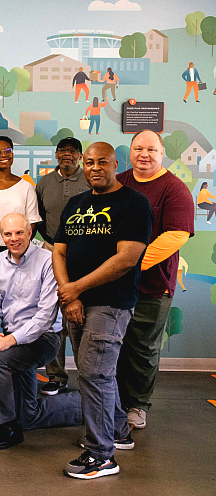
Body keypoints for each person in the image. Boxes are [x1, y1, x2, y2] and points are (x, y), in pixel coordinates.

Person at [53, 142, 153, 479]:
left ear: (116, 164)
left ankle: (101, 455)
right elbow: (59, 252)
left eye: (103, 162)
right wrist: (71, 295)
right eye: (91, 162)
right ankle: (119, 431)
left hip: (111, 303)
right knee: (95, 371)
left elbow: (126, 259)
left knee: (93, 375)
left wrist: (76, 289)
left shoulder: (133, 203)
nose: (96, 168)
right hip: (77, 302)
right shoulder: (75, 203)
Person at [0, 214, 82, 450]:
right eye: (8, 234)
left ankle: (7, 426)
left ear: (30, 232)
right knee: (27, 414)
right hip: (10, 337)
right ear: (2, 236)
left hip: (43, 339)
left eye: (19, 233)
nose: (14, 239)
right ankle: (87, 404)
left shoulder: (48, 260)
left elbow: (45, 317)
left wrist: (8, 341)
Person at [116, 130, 195, 430]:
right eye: (138, 148)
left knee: (143, 349)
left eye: (151, 149)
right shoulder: (119, 182)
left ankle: (137, 404)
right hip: (113, 283)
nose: (144, 154)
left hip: (152, 286)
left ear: (162, 153)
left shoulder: (174, 189)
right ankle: (113, 402)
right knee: (113, 344)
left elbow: (175, 236)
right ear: (131, 152)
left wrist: (130, 264)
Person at [35, 137, 89, 395]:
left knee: (81, 318)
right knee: (52, 318)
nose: (67, 155)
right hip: (51, 252)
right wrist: (51, 245)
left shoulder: (89, 179)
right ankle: (56, 376)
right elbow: (38, 219)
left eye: (73, 151)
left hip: (84, 255)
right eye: (62, 151)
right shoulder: (44, 183)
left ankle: (88, 378)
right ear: (56, 154)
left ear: (79, 156)